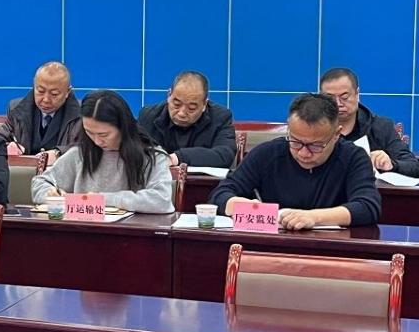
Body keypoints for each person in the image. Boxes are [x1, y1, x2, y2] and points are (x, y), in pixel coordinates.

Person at [208, 93, 381, 229]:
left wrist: (313, 217)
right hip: (273, 246)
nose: (304, 153)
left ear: (336, 134)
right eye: (296, 142)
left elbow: (368, 207)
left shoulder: (353, 158)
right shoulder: (267, 154)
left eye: (315, 145)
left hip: (333, 250)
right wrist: (237, 205)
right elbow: (219, 195)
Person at [30, 90, 174, 213]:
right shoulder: (80, 154)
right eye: (89, 132)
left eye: (103, 135)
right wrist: (50, 195)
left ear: (123, 127)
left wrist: (102, 200)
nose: (97, 141)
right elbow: (40, 183)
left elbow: (161, 200)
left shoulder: (151, 156)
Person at [320, 66, 419, 176]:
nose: (338, 104)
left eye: (344, 97)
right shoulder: (313, 127)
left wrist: (392, 164)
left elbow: (414, 166)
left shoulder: (381, 127)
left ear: (357, 94)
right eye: (330, 98)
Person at [138, 70, 236, 168]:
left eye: (191, 108)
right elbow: (135, 151)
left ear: (204, 104)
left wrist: (178, 157)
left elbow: (225, 155)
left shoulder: (220, 118)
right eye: (177, 104)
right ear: (169, 95)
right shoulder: (148, 116)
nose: (181, 113)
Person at [0, 61, 82, 159]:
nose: (46, 99)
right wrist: (7, 146)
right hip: (24, 168)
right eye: (40, 91)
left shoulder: (82, 115)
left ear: (67, 92)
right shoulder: (17, 109)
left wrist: (59, 153)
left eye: (54, 94)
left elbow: (85, 148)